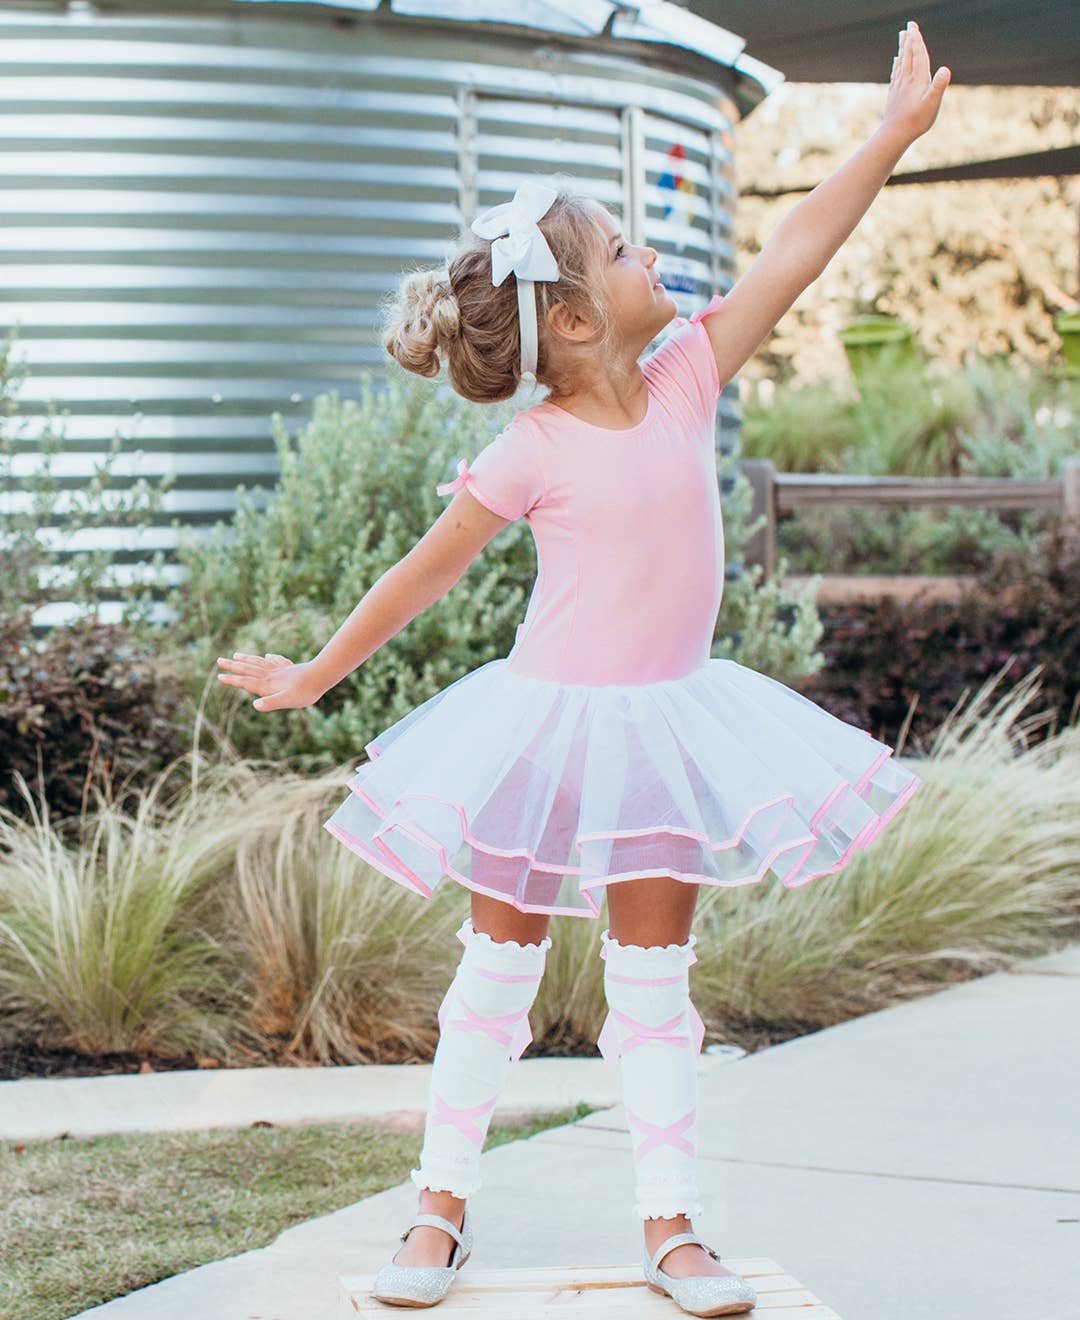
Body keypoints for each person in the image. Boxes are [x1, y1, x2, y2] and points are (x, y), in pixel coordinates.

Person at [216, 21, 949, 1313]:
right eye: (622, 249)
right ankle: (437, 1210)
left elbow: (793, 248)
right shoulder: (535, 449)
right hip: (545, 730)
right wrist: (319, 672)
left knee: (655, 986)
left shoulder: (685, 375)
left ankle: (673, 1228)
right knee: (494, 974)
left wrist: (887, 136)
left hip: (667, 728)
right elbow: (424, 569)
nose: (651, 254)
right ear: (567, 317)